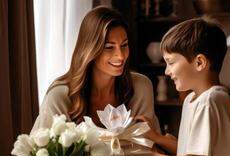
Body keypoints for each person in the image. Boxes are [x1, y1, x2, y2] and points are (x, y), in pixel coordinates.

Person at [139, 17, 230, 156]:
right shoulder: (194, 99)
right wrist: (157, 138)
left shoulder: (209, 101)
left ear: (199, 63)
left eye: (171, 62)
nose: (167, 71)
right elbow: (190, 152)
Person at [31, 5, 160, 134]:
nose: (121, 56)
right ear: (90, 49)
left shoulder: (141, 87)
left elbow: (150, 145)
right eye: (109, 47)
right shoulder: (60, 96)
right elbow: (46, 151)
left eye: (124, 45)